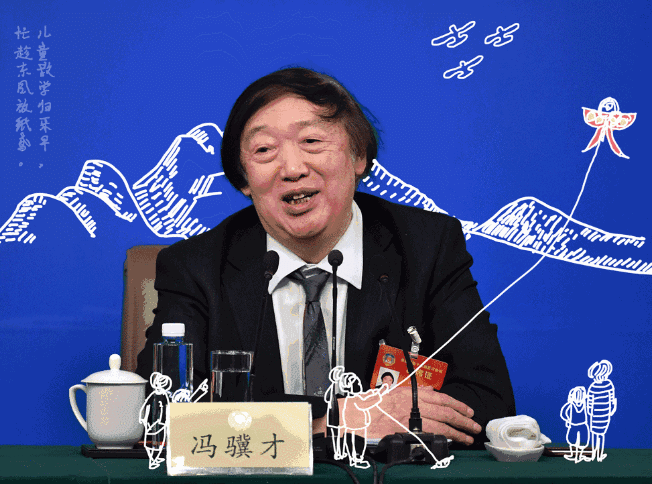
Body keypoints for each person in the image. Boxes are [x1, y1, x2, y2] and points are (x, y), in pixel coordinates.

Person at [136, 67, 515, 448]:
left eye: (312, 141)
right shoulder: (195, 266)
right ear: (244, 179)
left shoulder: (426, 247)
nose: (293, 169)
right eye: (264, 150)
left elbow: (488, 403)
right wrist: (339, 420)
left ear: (358, 156)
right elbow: (160, 417)